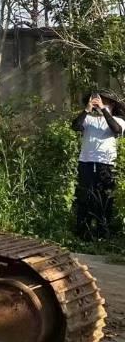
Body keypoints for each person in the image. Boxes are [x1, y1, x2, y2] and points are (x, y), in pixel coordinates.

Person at [71, 90, 125, 239]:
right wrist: (87, 109)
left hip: (106, 164)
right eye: (98, 101)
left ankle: (103, 233)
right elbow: (75, 126)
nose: (100, 103)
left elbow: (116, 130)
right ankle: (83, 233)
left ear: (112, 104)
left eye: (105, 101)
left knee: (105, 198)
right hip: (86, 163)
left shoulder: (118, 120)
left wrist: (103, 109)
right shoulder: (89, 119)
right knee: (84, 197)